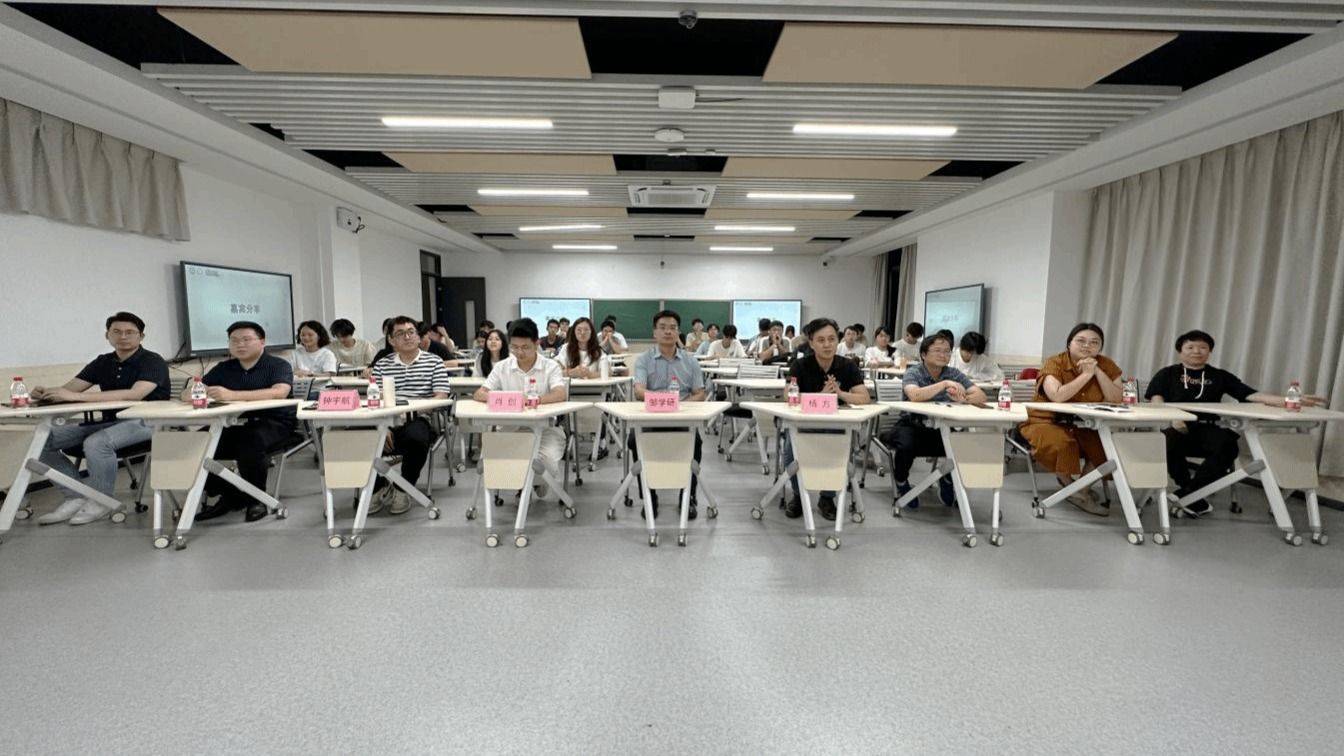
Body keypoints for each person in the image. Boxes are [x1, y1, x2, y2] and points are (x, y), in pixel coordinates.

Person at [1146, 329, 1327, 517]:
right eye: (1190, 347)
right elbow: (1156, 398)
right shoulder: (1167, 373)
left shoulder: (1219, 375)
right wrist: (1173, 417)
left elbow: (1250, 394)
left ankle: (1189, 493)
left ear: (1210, 351)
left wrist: (1288, 399)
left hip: (1208, 427)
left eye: (1202, 347)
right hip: (1178, 426)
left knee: (1228, 446)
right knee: (1164, 441)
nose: (1196, 351)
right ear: (1180, 351)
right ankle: (1192, 496)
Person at [29, 312, 171, 525]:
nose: (123, 336)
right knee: (43, 441)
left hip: (148, 422)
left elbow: (135, 394)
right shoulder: (103, 362)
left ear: (141, 336)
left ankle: (102, 501)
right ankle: (74, 497)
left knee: (97, 443)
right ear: (107, 335)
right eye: (117, 332)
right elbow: (69, 390)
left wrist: (74, 397)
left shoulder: (153, 361)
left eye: (130, 332)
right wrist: (46, 393)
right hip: (109, 422)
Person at [190, 321, 296, 523]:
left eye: (246, 339)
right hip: (233, 424)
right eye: (234, 340)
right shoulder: (224, 368)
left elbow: (279, 392)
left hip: (275, 423)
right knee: (195, 443)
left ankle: (256, 499)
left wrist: (231, 394)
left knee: (250, 440)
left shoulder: (278, 365)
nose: (240, 344)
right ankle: (231, 492)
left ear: (262, 341)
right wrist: (193, 392)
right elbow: (195, 389)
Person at [1018, 322, 1124, 517]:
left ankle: (1079, 491)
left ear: (1100, 347)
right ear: (1069, 343)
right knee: (1061, 443)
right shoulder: (1055, 362)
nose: (1087, 346)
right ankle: (1069, 485)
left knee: (1107, 446)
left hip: (1087, 424)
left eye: (1094, 342)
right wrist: (1086, 375)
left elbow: (1116, 398)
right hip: (1046, 421)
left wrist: (1097, 371)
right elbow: (1057, 396)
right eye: (1081, 341)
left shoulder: (1106, 364)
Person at [780, 318, 872, 520]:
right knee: (790, 450)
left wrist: (840, 393)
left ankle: (827, 498)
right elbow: (788, 396)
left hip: (836, 426)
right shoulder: (800, 365)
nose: (827, 344)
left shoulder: (847, 366)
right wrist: (821, 395)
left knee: (840, 450)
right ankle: (798, 495)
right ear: (811, 343)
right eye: (821, 340)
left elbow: (864, 397)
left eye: (831, 339)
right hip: (803, 425)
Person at [885, 332, 986, 509]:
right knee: (906, 445)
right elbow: (915, 395)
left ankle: (947, 478)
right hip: (911, 425)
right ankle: (901, 481)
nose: (943, 355)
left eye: (947, 352)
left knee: (966, 444)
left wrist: (963, 399)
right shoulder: (913, 372)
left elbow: (981, 395)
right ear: (924, 354)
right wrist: (944, 384)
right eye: (938, 351)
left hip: (942, 428)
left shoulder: (953, 373)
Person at [473, 319, 568, 496]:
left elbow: (560, 394)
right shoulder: (502, 367)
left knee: (546, 464)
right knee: (498, 464)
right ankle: (523, 487)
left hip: (544, 430)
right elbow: (479, 393)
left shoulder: (550, 366)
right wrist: (509, 399)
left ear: (537, 344)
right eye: (514, 347)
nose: (519, 352)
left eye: (525, 347)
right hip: (509, 430)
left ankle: (535, 485)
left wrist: (533, 400)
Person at [366, 316, 450, 514]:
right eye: (400, 333)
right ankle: (377, 486)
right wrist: (382, 425)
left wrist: (412, 411)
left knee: (416, 437)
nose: (407, 337)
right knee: (355, 436)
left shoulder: (434, 361)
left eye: (411, 332)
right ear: (391, 340)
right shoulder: (383, 364)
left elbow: (441, 396)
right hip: (386, 419)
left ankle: (402, 488)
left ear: (419, 336)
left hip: (418, 418)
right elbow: (375, 397)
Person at [631, 309, 706, 520]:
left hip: (682, 417)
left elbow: (699, 393)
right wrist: (663, 402)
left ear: (678, 332)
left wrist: (680, 406)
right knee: (635, 441)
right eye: (662, 327)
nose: (667, 332)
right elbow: (639, 391)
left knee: (696, 444)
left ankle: (688, 496)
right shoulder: (644, 359)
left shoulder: (690, 361)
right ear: (654, 332)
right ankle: (649, 497)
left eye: (672, 328)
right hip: (651, 417)